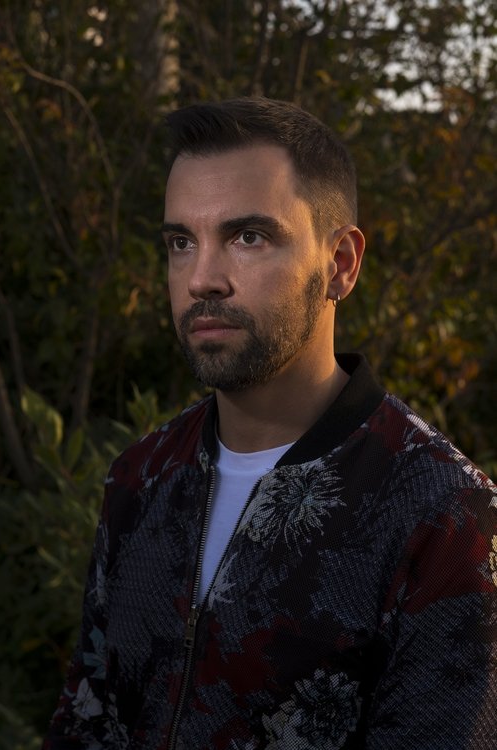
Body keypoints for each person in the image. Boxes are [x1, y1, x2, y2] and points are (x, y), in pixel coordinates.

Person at [43, 98, 497, 750]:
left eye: (248, 237)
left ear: (340, 264)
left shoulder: (446, 515)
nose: (202, 279)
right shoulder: (142, 478)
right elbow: (87, 721)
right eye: (181, 242)